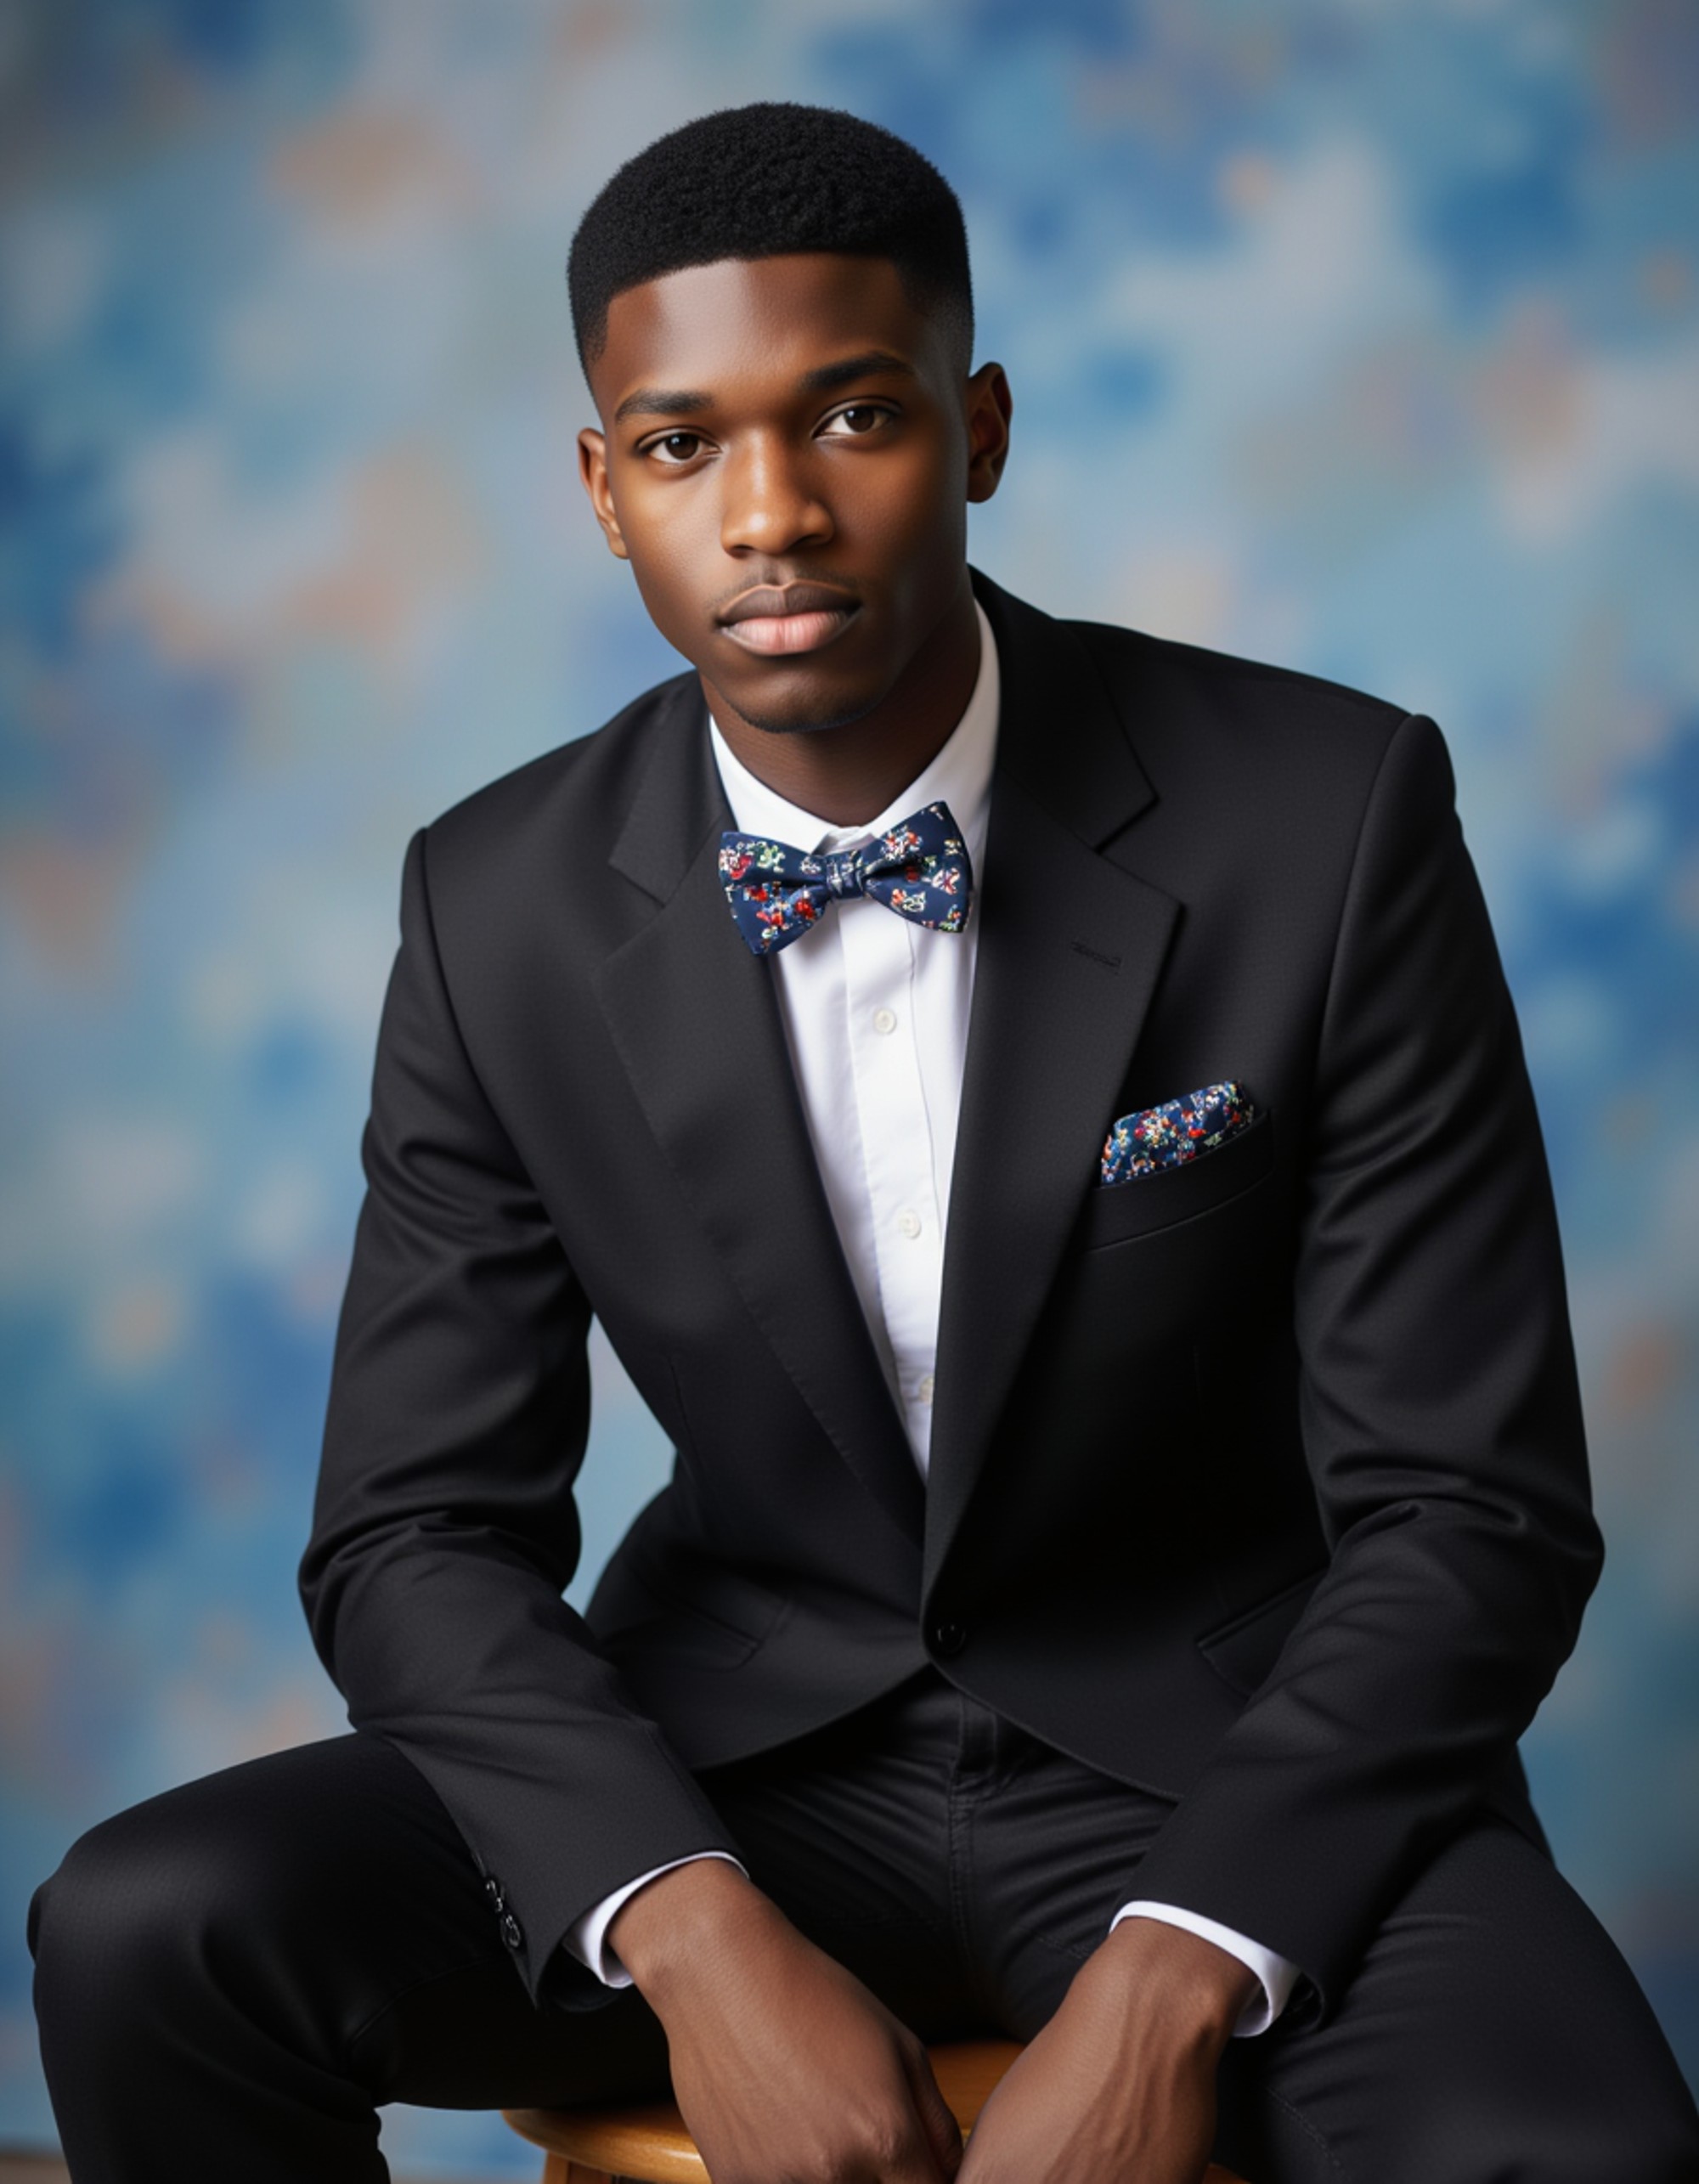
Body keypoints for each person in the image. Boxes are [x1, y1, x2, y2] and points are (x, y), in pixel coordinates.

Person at [29, 101, 1699, 2184]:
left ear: (978, 428)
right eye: (678, 444)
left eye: (851, 418)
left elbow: (1472, 1508)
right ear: (600, 490)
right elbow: (413, 1532)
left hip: (1221, 1757)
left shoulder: (1324, 817)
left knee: (1576, 2148)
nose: (770, 517)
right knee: (143, 1929)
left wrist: (1181, 1962)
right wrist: (693, 1927)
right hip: (732, 1759)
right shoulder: (499, 901)